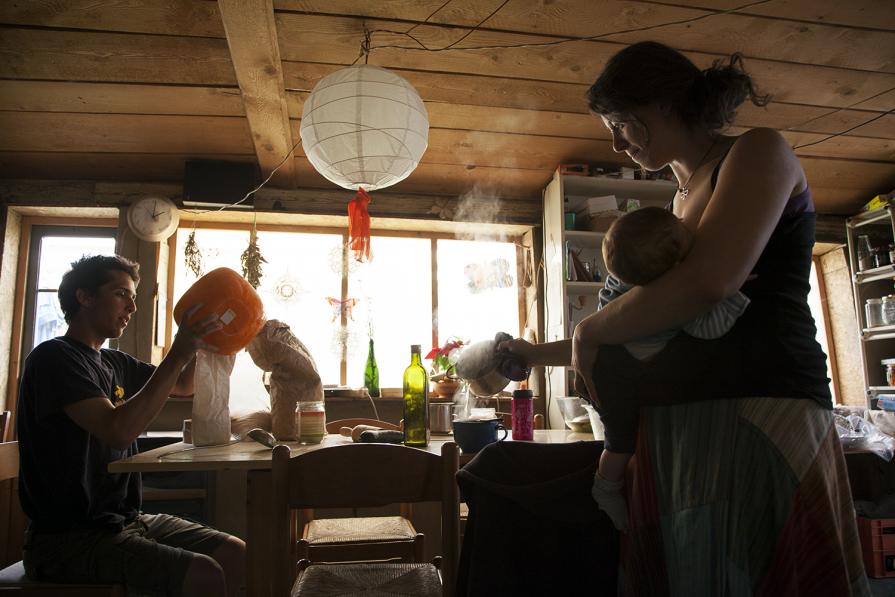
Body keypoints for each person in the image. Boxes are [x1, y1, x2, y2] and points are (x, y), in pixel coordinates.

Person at [502, 41, 869, 595]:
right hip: (680, 428)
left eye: (621, 123)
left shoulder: (757, 152)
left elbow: (707, 283)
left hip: (762, 411)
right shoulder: (674, 203)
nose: (615, 141)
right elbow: (645, 323)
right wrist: (535, 355)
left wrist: (588, 330)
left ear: (667, 103)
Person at [16, 255, 245, 597]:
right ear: (84, 297)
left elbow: (183, 384)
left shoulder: (113, 361)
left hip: (126, 521)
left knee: (234, 553)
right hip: (67, 539)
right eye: (121, 293)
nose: (132, 307)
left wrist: (225, 339)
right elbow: (118, 431)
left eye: (133, 296)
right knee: (204, 573)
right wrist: (179, 352)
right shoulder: (54, 358)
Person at [590, 206, 749, 531]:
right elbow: (709, 327)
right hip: (619, 376)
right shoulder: (667, 304)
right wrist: (735, 293)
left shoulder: (621, 289)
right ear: (675, 266)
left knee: (626, 439)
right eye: (684, 231)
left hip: (613, 365)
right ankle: (605, 487)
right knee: (620, 442)